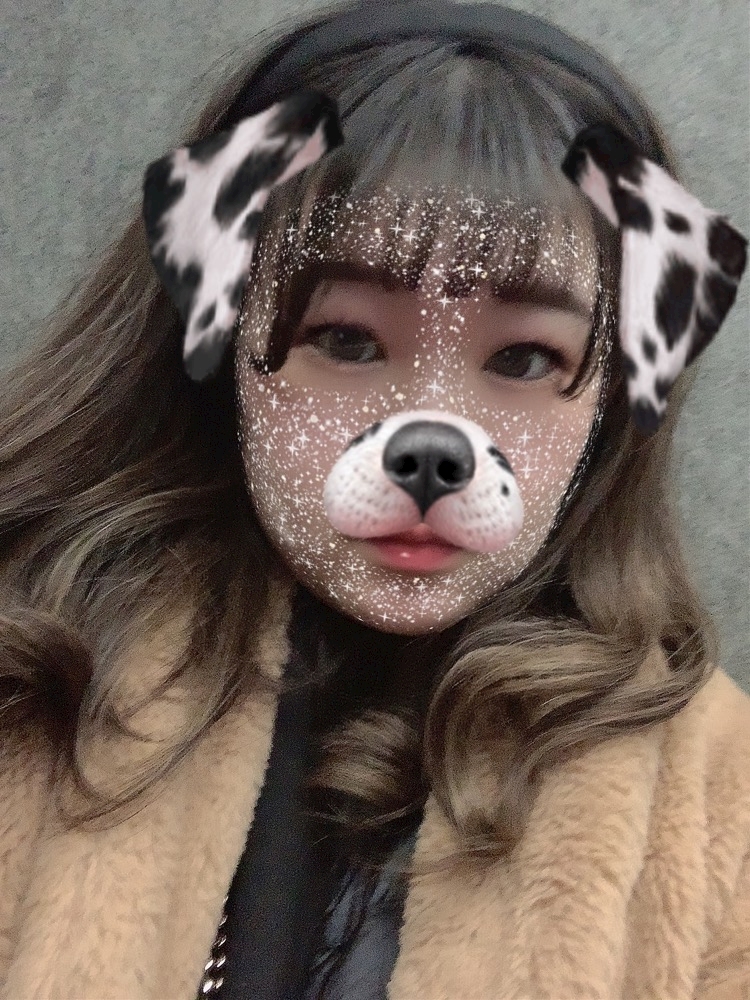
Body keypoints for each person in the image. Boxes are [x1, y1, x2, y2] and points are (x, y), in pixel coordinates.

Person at [0, 2, 747, 999]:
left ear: (618, 382)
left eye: (526, 358)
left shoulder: (718, 805)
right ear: (220, 323)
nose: (433, 437)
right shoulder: (32, 679)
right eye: (346, 339)